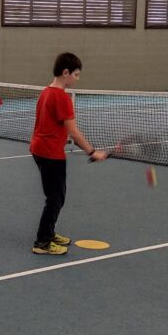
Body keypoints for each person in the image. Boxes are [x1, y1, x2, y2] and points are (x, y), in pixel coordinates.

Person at [30, 52, 108, 255]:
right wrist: (93, 152)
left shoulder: (46, 92)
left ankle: (49, 232)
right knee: (55, 198)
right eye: (76, 74)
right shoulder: (62, 98)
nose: (77, 79)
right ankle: (42, 242)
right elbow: (73, 132)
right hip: (50, 153)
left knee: (56, 196)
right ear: (66, 73)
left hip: (39, 149)